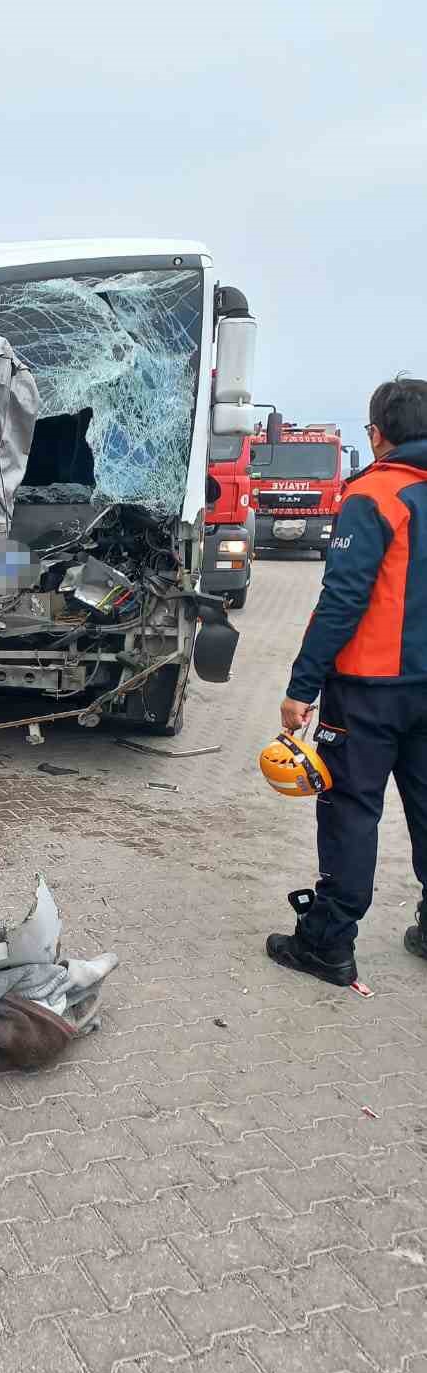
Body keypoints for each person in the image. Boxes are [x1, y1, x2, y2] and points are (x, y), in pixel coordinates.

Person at [268, 376, 427, 986]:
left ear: (379, 434)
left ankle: (328, 944)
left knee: (351, 810)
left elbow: (341, 599)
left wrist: (300, 687)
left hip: (367, 693)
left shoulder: (376, 494)